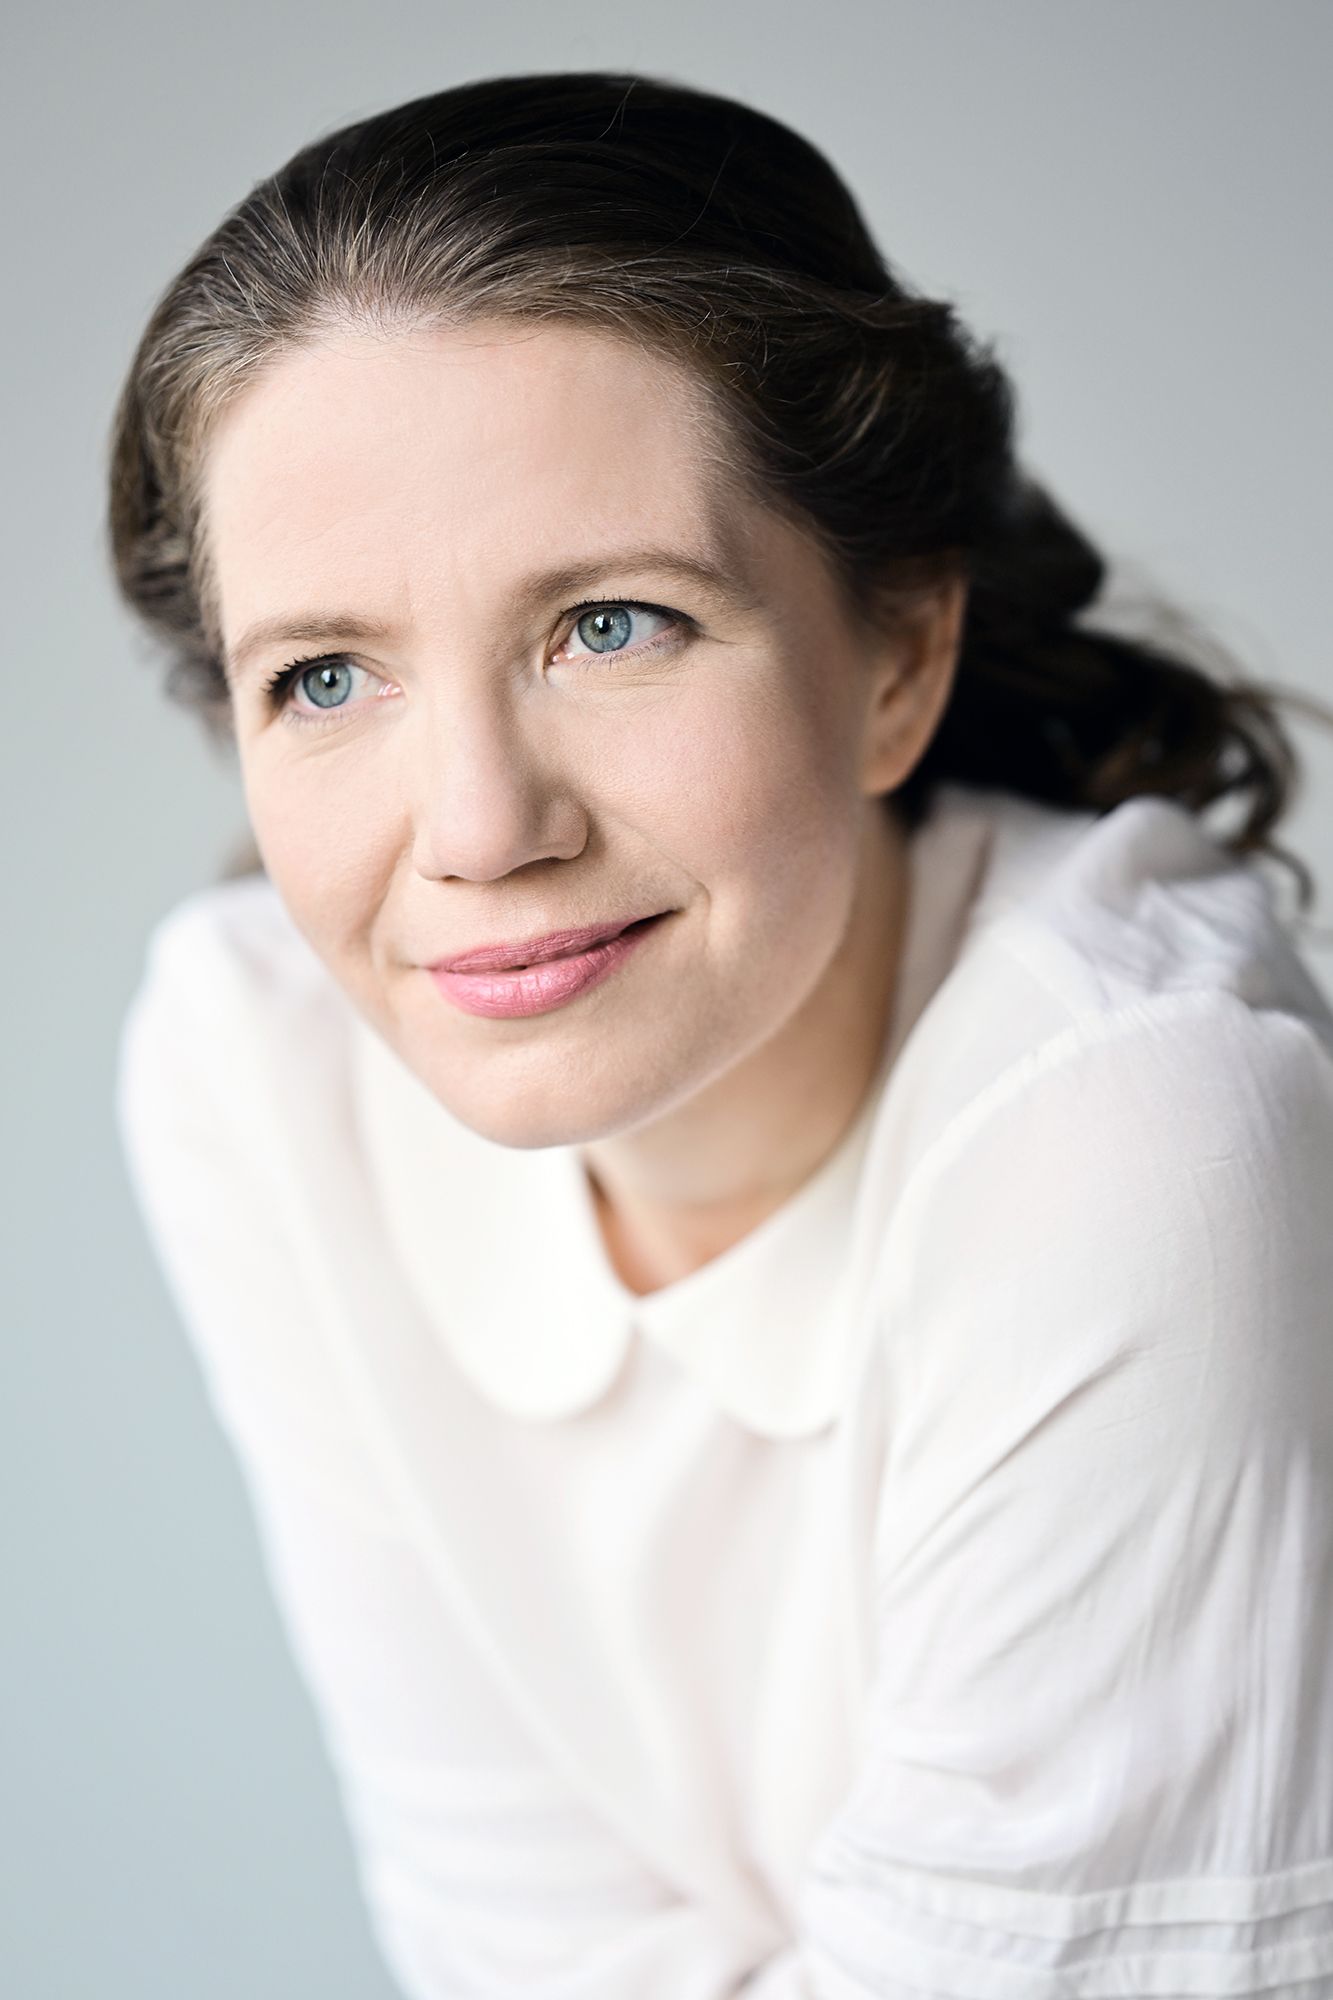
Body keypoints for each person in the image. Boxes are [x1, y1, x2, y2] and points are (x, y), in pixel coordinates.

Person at [107, 70, 1333, 1999]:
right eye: (326, 676)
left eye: (612, 625)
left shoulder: (1139, 1134)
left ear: (896, 656)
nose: (480, 830)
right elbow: (512, 1943)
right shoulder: (258, 1072)